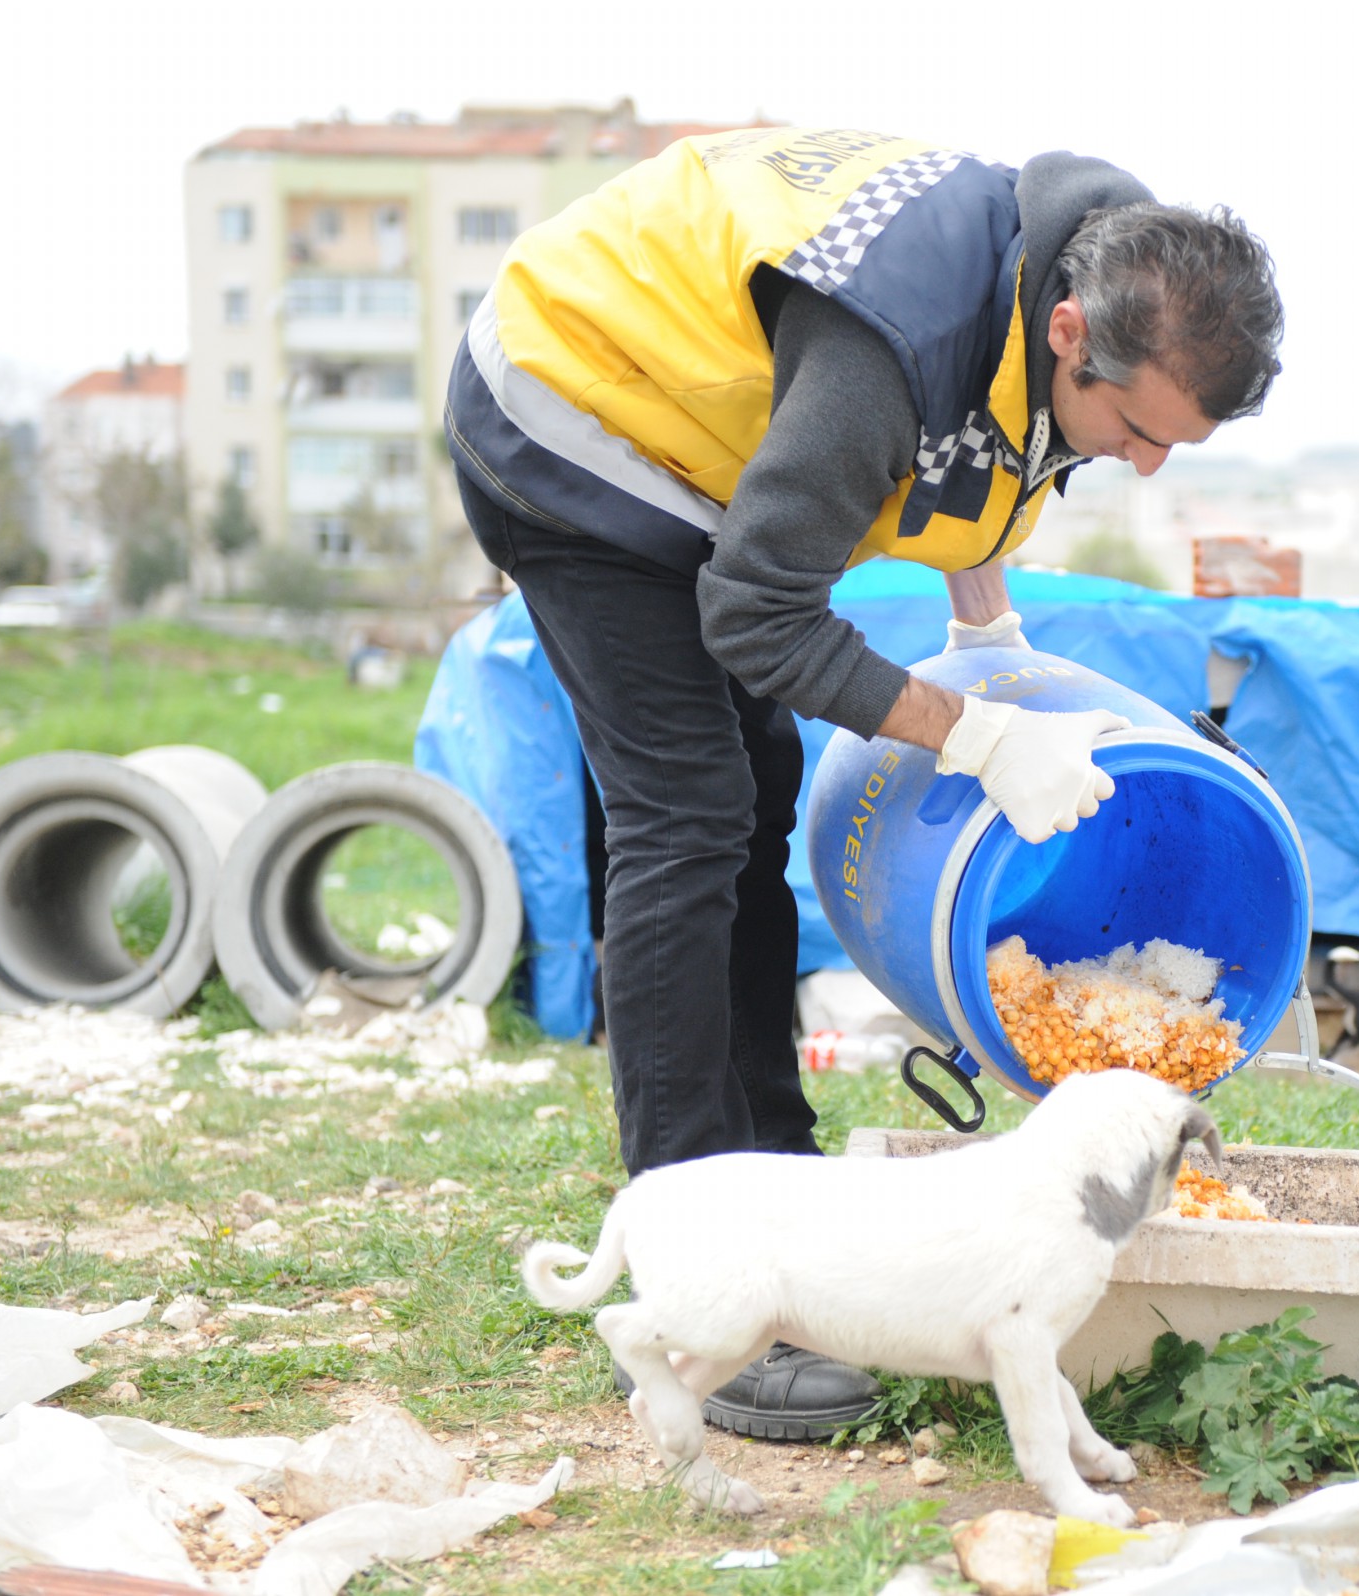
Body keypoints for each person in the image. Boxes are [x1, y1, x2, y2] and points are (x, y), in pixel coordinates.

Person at [445, 126, 1282, 1438]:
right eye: (1137, 431)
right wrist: (976, 736)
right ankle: (691, 1265)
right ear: (1070, 331)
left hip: (704, 445)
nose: (1145, 464)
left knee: (761, 793)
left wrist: (989, 642)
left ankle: (772, 1178)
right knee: (688, 813)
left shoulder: (1100, 269)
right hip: (570, 411)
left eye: (1176, 444)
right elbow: (759, 622)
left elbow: (991, 448)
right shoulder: (885, 350)